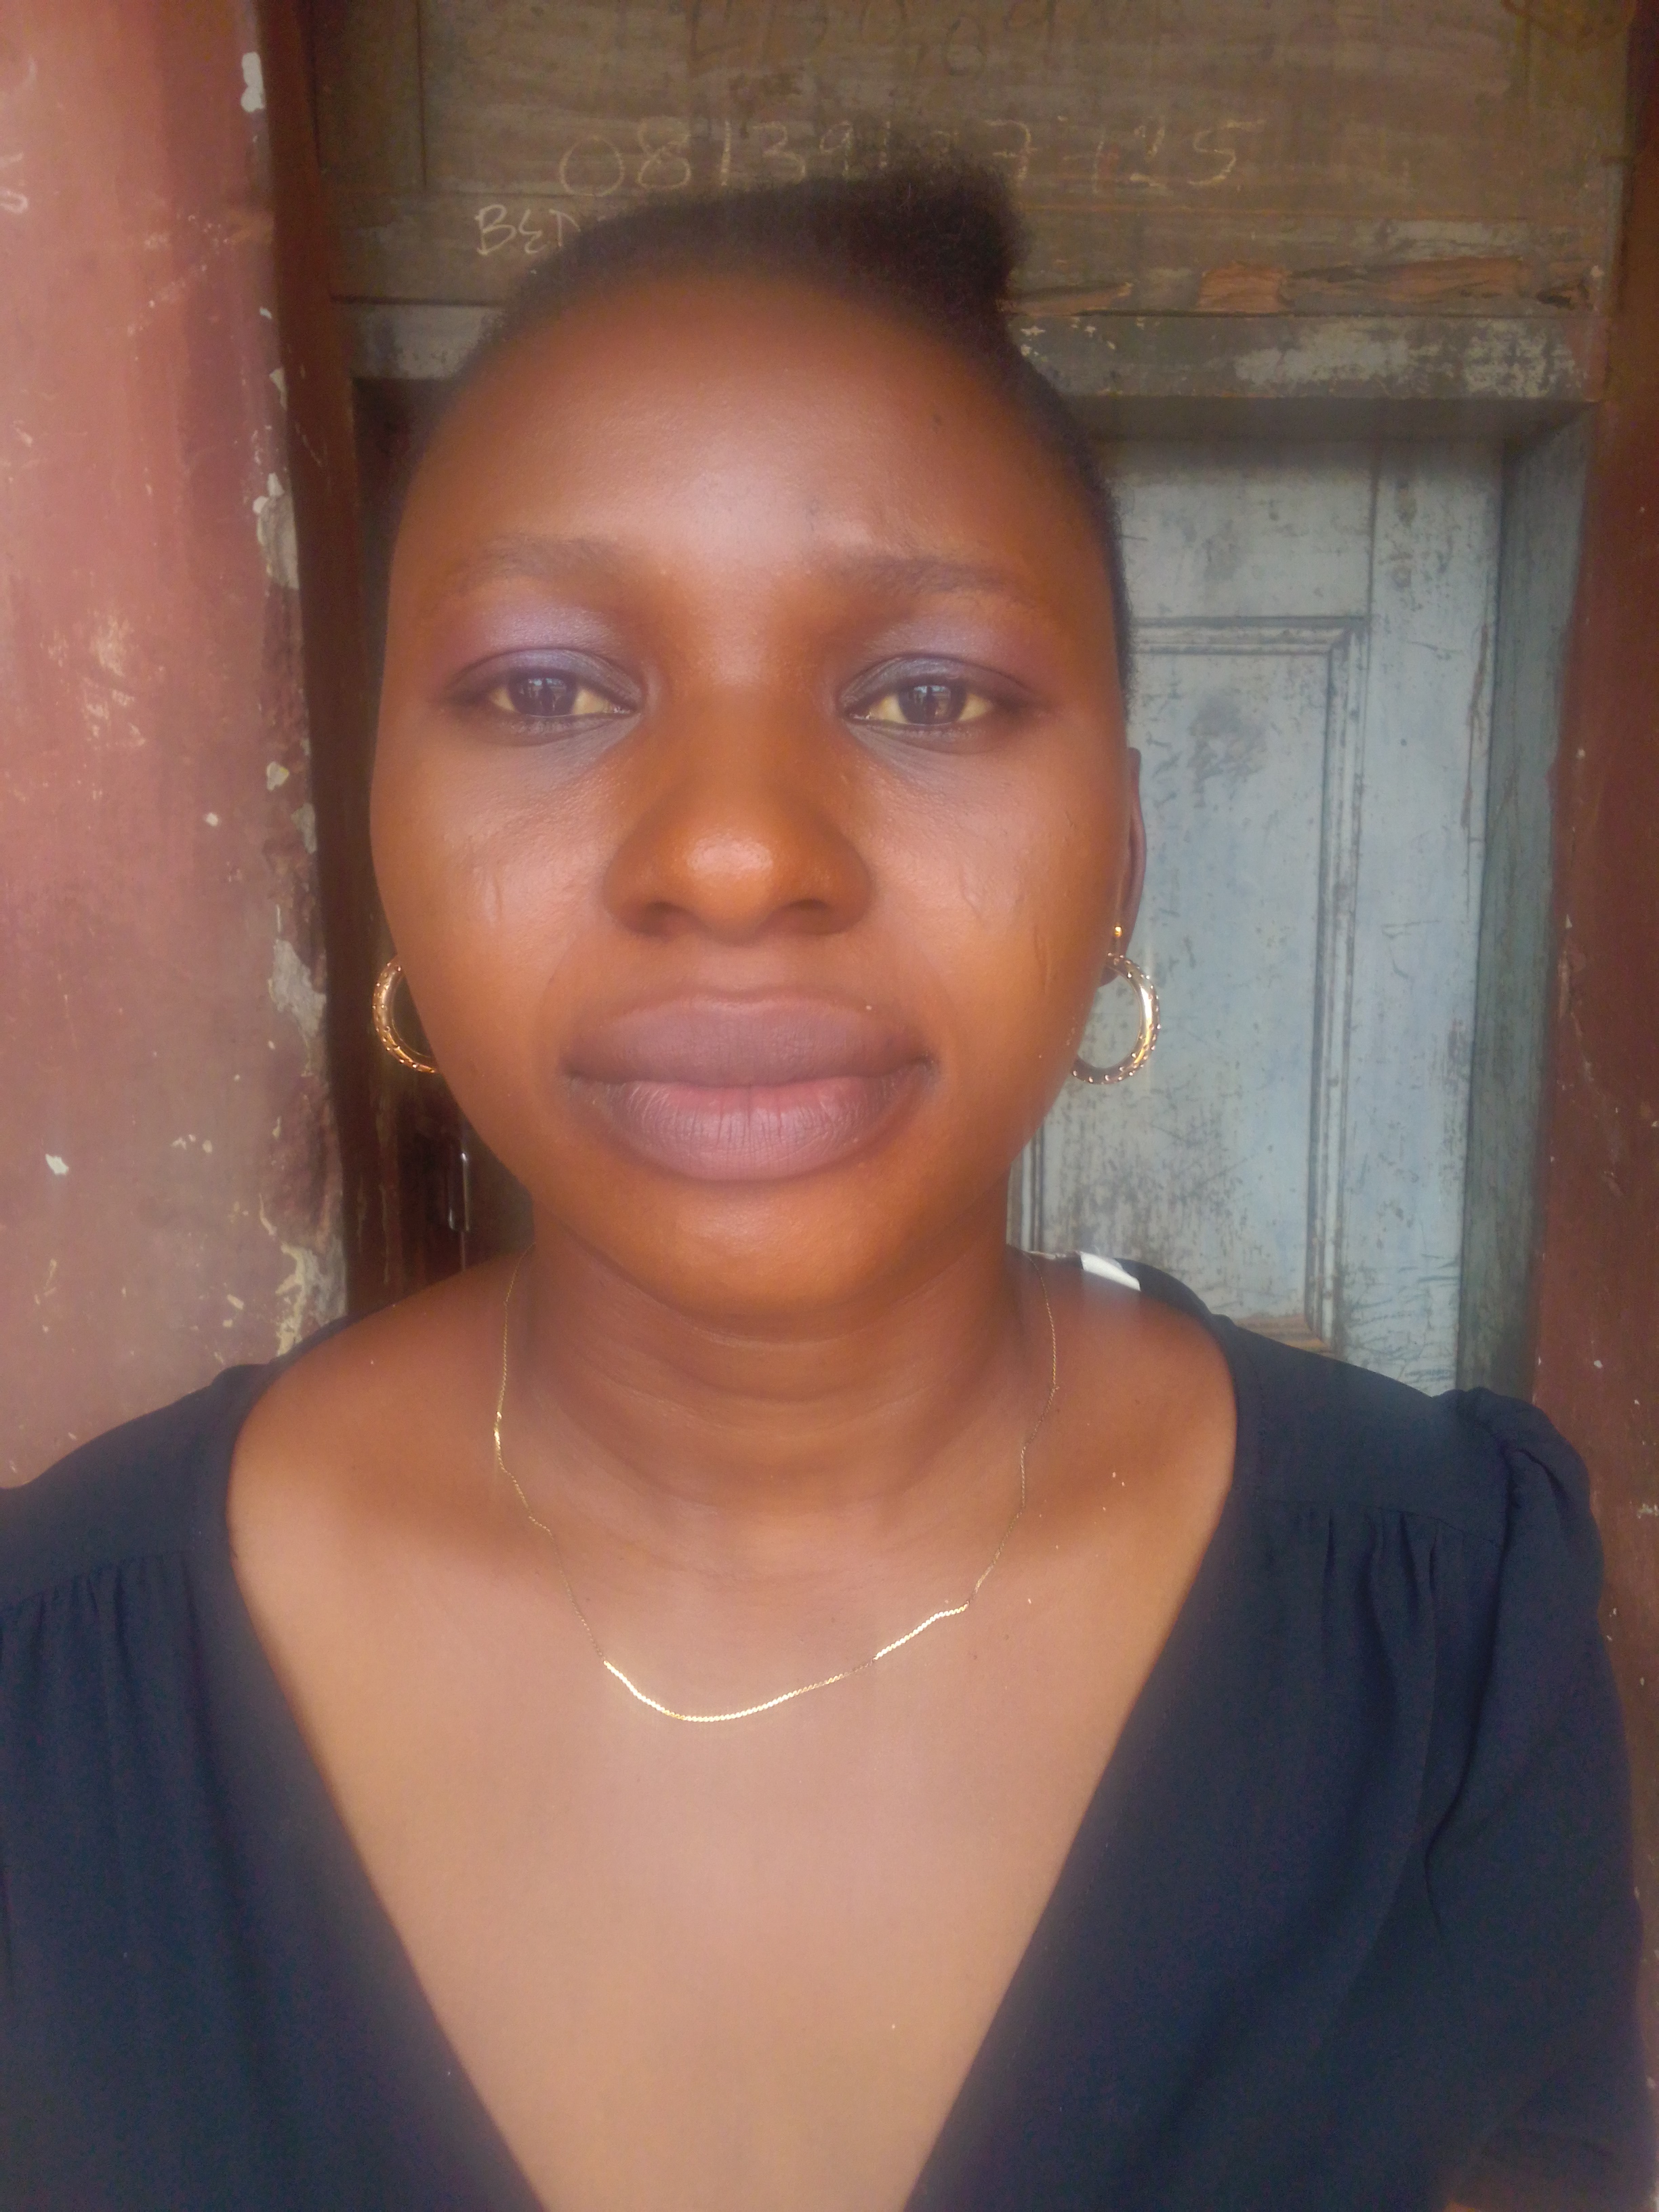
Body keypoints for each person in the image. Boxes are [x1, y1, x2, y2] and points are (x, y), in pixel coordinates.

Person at [0, 165, 1650, 2212]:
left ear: (1122, 857)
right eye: (545, 690)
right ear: (384, 842)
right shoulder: (43, 1697)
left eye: (927, 694)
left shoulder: (1457, 1639)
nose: (734, 856)